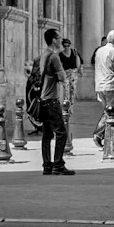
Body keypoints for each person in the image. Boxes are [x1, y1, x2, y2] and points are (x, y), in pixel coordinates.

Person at [38, 24, 74, 175]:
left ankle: (47, 165)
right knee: (61, 133)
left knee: (47, 134)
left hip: (43, 99)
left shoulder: (43, 55)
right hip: (52, 100)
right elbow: (62, 78)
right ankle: (58, 164)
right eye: (59, 38)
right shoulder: (54, 57)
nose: (61, 40)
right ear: (54, 40)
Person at [93, 29, 114, 161]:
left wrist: (96, 88)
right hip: (111, 85)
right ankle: (99, 134)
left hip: (100, 85)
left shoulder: (99, 51)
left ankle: (105, 138)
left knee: (107, 111)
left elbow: (96, 68)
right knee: (111, 113)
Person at [59, 35, 83, 153]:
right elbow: (60, 65)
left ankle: (71, 106)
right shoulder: (60, 54)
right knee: (66, 90)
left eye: (68, 45)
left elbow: (78, 62)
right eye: (65, 45)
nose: (67, 47)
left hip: (73, 73)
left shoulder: (74, 52)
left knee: (73, 91)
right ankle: (66, 106)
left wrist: (79, 70)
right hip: (65, 73)